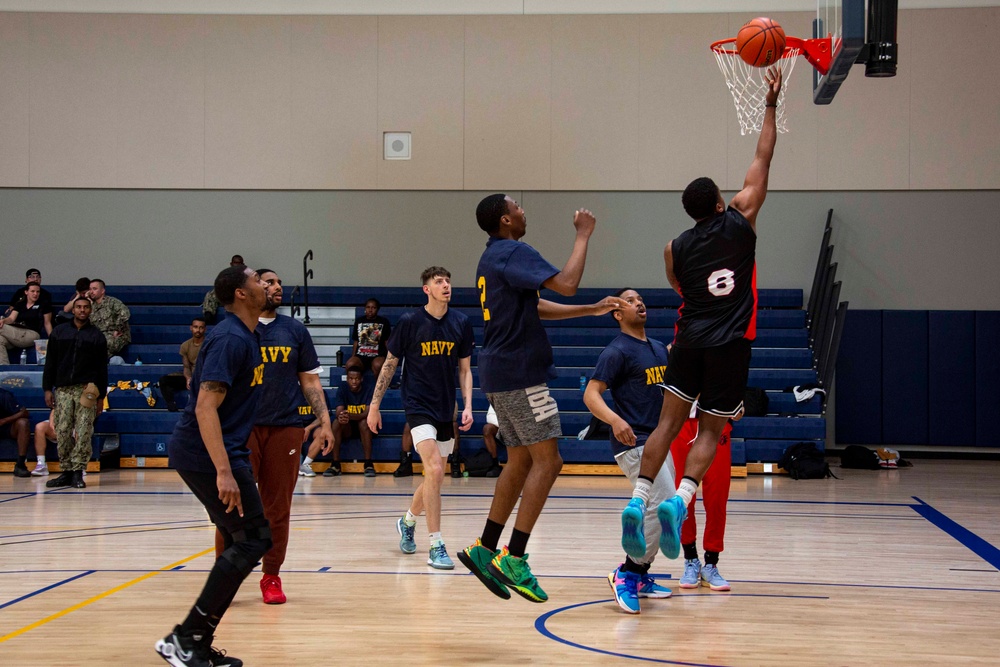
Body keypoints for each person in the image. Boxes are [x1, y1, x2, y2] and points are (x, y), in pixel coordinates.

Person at [620, 67, 783, 564]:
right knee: (710, 431)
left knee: (666, 427)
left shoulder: (674, 248)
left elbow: (678, 286)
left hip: (688, 341)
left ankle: (637, 499)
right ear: (719, 202)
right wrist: (771, 103)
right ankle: (681, 499)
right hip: (730, 344)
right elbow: (763, 156)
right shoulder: (740, 220)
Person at [459, 194, 622, 603]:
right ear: (505, 220)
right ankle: (514, 557)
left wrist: (590, 310)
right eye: (518, 207)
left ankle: (486, 546)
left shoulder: (492, 257)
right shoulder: (514, 250)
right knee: (550, 461)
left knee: (520, 460)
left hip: (500, 372)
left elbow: (534, 307)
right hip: (520, 372)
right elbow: (566, 283)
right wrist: (583, 236)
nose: (524, 211)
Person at [155, 264, 267, 667]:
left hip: (216, 452)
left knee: (247, 539)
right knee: (253, 538)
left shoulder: (245, 336)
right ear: (240, 293)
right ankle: (187, 639)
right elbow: (205, 407)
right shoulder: (228, 339)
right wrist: (223, 471)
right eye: (258, 280)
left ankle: (190, 639)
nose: (266, 285)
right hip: (205, 455)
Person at [212, 268, 334, 605]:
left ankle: (271, 576)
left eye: (279, 282)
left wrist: (324, 422)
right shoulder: (234, 332)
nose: (277, 287)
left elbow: (309, 381)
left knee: (277, 509)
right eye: (268, 282)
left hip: (284, 427)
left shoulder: (294, 330)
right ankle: (225, 575)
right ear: (249, 290)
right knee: (232, 507)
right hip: (241, 428)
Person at [368, 266, 474, 570]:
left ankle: (407, 521)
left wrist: (467, 406)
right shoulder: (410, 322)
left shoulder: (461, 323)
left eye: (448, 281)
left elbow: (465, 370)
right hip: (417, 405)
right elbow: (389, 365)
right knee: (435, 468)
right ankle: (437, 545)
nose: (446, 285)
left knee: (435, 476)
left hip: (446, 408)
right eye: (438, 281)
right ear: (426, 289)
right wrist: (374, 406)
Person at [582, 288, 674, 614]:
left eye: (639, 299)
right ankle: (626, 573)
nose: (639, 303)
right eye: (630, 301)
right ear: (618, 314)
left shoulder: (659, 349)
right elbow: (591, 394)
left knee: (665, 511)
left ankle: (641, 574)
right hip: (634, 443)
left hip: (661, 441)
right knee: (662, 508)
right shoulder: (616, 351)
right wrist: (614, 419)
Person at [42, 297, 108, 489]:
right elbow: (50, 363)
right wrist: (48, 389)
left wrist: (101, 397)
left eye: (85, 307)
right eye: (78, 307)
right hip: (62, 389)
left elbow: (102, 369)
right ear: (73, 309)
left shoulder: (96, 336)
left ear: (90, 310)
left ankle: (78, 471)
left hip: (86, 389)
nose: (82, 310)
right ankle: (66, 470)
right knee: (61, 430)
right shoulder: (59, 332)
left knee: (84, 431)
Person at [671, 406, 737, 592]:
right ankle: (690, 559)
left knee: (717, 496)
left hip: (717, 421)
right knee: (683, 498)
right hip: (682, 422)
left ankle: (711, 564)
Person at [312, 364, 375, 477]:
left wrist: (348, 415)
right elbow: (339, 411)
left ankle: (368, 464)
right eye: (351, 378)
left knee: (364, 422)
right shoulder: (342, 388)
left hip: (365, 427)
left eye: (356, 379)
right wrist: (343, 416)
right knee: (337, 422)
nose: (354, 381)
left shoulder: (368, 389)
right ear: (347, 379)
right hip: (348, 427)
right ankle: (335, 464)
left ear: (361, 379)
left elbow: (367, 413)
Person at [158, 318, 207, 412]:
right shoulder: (185, 345)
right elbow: (186, 366)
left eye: (201, 328)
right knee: (164, 380)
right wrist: (188, 378)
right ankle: (172, 407)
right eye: (196, 327)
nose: (198, 330)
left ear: (205, 329)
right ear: (191, 328)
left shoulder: (209, 343)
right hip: (192, 377)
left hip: (205, 378)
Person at [1, 282, 53, 364]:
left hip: (32, 334)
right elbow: (11, 319)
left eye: (38, 292)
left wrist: (53, 339)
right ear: (26, 292)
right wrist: (3, 321)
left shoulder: (44, 305)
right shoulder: (20, 303)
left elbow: (47, 323)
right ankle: (3, 369)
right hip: (16, 332)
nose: (35, 294)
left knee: (2, 328)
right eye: (32, 291)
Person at [87, 279, 131, 362]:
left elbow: (125, 314)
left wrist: (118, 329)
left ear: (102, 290)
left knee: (105, 342)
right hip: (98, 336)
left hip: (114, 335)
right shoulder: (91, 306)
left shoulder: (112, 302)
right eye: (90, 289)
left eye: (94, 289)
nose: (91, 292)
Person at [347, 297, 392, 379]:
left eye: (373, 308)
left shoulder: (384, 321)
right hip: (361, 356)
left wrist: (390, 358)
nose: (370, 310)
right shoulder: (359, 321)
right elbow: (356, 341)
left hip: (378, 355)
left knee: (378, 365)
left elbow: (387, 341)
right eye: (368, 307)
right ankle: (356, 387)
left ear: (377, 309)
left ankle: (378, 388)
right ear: (365, 308)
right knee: (350, 364)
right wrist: (353, 356)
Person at [202, 255, 245, 324]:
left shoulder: (246, 276)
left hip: (241, 298)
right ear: (231, 264)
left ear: (242, 265)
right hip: (227, 298)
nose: (237, 265)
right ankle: (209, 314)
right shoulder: (226, 275)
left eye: (239, 263)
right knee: (212, 294)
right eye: (235, 263)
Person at [1, 387, 31, 477]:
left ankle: (20, 465)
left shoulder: (4, 395)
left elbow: (24, 413)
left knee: (23, 423)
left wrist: (4, 420)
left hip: (5, 427)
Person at [30, 409, 58, 476]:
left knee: (79, 429)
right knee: (40, 427)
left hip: (76, 423)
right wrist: (52, 423)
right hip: (61, 423)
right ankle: (41, 464)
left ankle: (79, 466)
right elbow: (55, 409)